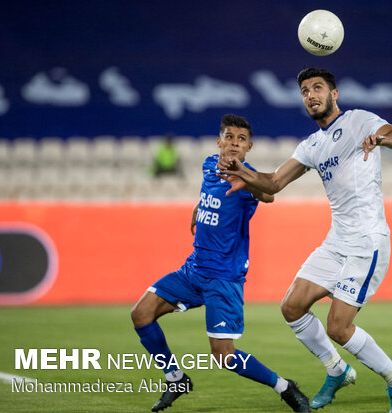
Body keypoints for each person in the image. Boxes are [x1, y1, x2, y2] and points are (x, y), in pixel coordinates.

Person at [217, 68, 392, 413]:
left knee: (339, 327)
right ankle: (336, 370)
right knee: (292, 307)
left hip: (366, 241)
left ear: (333, 94)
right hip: (337, 241)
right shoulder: (312, 145)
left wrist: (379, 139)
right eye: (305, 90)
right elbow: (275, 182)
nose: (310, 94)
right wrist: (242, 174)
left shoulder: (358, 121)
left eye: (317, 88)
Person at [131, 114, 311, 413]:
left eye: (241, 140)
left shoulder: (249, 176)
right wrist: (198, 205)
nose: (234, 143)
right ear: (220, 141)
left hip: (223, 278)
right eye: (229, 137)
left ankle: (284, 387)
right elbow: (209, 192)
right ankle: (175, 378)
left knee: (224, 357)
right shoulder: (208, 165)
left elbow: (268, 195)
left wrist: (249, 183)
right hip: (193, 270)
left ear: (248, 147)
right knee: (141, 314)